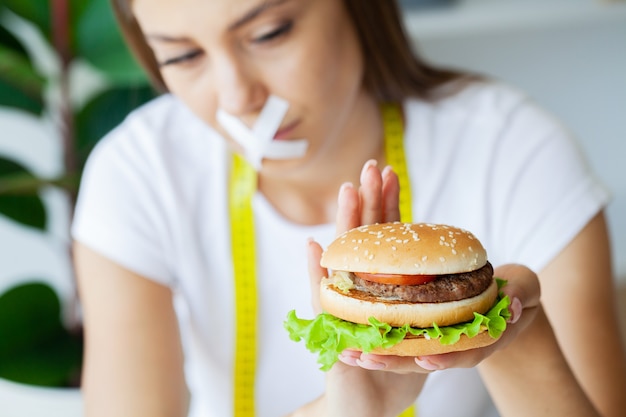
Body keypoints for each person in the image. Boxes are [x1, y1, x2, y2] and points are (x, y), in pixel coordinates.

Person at [71, 0, 626, 416]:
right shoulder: (139, 173)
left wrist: (516, 343)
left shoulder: (514, 149)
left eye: (269, 33)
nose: (238, 98)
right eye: (183, 56)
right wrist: (345, 412)